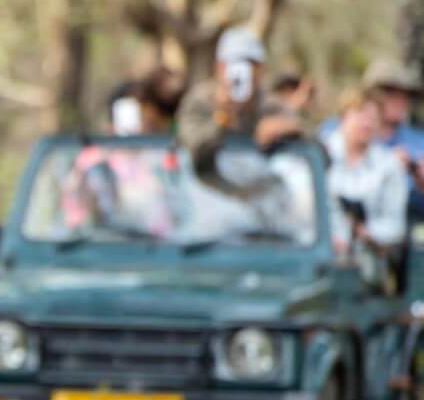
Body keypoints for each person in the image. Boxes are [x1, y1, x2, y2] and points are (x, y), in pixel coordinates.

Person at [177, 27, 301, 171]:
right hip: (209, 183)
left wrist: (287, 127)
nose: (244, 71)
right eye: (234, 63)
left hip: (258, 182)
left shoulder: (270, 104)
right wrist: (222, 117)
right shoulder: (199, 101)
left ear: (261, 68)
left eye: (250, 64)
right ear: (219, 67)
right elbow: (192, 149)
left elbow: (311, 142)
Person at [319, 58, 424, 227]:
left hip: (398, 225)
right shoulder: (333, 131)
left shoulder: (418, 142)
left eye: (406, 94)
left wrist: (417, 180)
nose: (399, 100)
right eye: (390, 92)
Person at [325, 88, 408, 288]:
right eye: (360, 114)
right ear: (343, 117)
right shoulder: (321, 154)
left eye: (373, 118)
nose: (367, 123)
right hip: (321, 260)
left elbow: (395, 225)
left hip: (366, 266)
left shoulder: (388, 165)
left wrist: (366, 232)